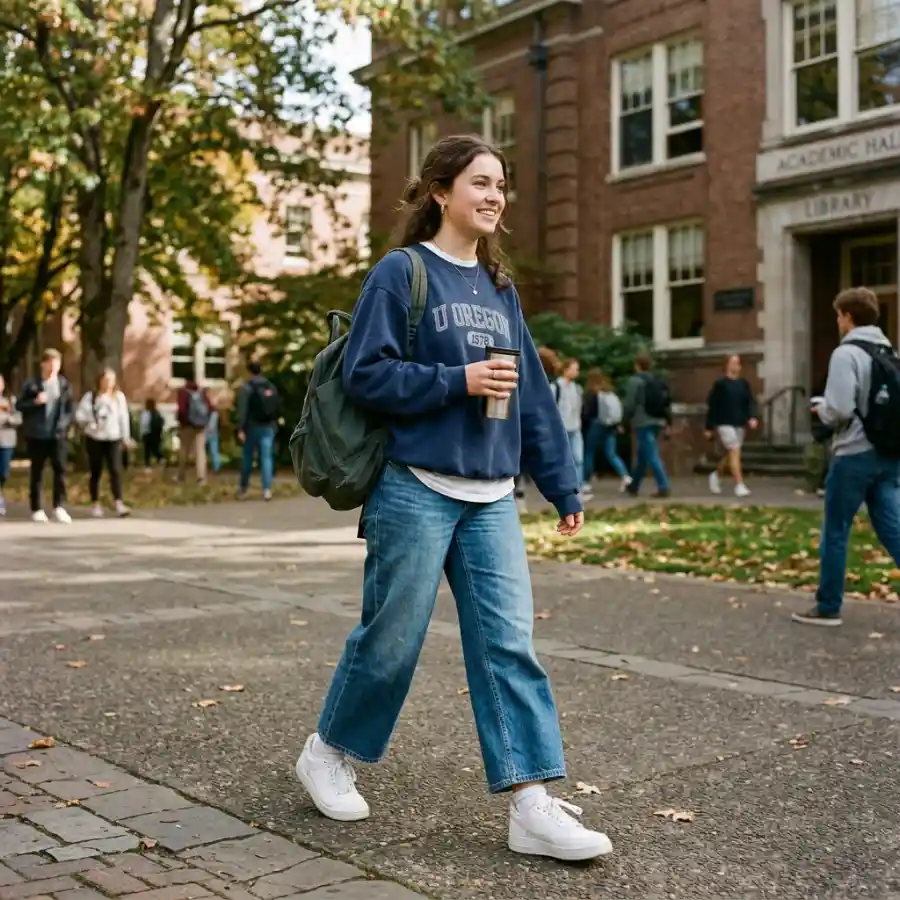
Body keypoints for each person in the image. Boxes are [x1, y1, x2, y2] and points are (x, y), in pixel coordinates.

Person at [294, 134, 611, 862]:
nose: (495, 195)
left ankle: (531, 802)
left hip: (493, 493)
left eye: (502, 184)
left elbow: (531, 393)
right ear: (441, 191)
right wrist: (457, 382)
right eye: (480, 182)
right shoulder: (402, 274)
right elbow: (366, 377)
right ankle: (329, 750)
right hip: (415, 485)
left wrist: (561, 484)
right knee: (392, 640)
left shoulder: (501, 289)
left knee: (509, 645)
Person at [794, 287, 900, 627]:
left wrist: (819, 408)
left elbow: (839, 410)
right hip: (887, 453)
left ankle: (828, 606)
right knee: (892, 528)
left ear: (848, 316)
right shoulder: (888, 351)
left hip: (853, 454)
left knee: (836, 529)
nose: (838, 321)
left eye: (839, 315)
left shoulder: (847, 354)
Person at [17, 349, 74, 523]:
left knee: (60, 470)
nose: (53, 367)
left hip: (57, 435)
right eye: (49, 362)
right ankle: (37, 508)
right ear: (42, 364)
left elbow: (69, 410)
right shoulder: (32, 384)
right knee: (37, 471)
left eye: (56, 363)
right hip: (37, 434)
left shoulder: (63, 385)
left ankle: (59, 506)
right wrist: (34, 402)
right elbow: (19, 405)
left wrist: (63, 426)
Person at [75, 368, 132, 518]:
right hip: (95, 438)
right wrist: (90, 422)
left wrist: (126, 437)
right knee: (96, 471)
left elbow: (123, 417)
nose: (108, 383)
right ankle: (95, 503)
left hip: (113, 437)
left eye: (111, 380)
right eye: (105, 380)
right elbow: (80, 415)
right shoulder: (91, 397)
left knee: (115, 470)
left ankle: (118, 502)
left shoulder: (118, 397)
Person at [704, 355, 758, 499]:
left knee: (731, 454)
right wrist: (709, 427)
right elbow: (713, 405)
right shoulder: (720, 384)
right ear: (727, 366)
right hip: (724, 423)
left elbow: (750, 402)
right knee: (734, 450)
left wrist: (752, 417)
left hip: (739, 423)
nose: (736, 366)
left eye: (738, 363)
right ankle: (739, 484)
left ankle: (716, 475)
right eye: (733, 363)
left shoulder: (743, 384)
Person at [623, 350, 671, 498]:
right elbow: (667, 402)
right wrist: (668, 421)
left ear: (637, 365)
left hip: (643, 421)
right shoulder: (657, 380)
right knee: (642, 455)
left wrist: (625, 419)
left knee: (650, 455)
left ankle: (663, 486)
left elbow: (630, 403)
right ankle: (634, 486)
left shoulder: (635, 381)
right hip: (657, 420)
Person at [236, 362, 281, 501]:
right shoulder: (270, 386)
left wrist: (240, 428)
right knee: (266, 458)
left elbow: (242, 410)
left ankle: (243, 489)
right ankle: (267, 489)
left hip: (252, 427)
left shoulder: (247, 387)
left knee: (248, 458)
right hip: (268, 427)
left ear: (249, 372)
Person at [583, 369, 631, 493]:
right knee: (611, 453)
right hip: (611, 425)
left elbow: (588, 412)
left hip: (597, 424)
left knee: (589, 452)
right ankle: (625, 476)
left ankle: (586, 481)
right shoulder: (609, 391)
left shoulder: (592, 393)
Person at [553, 359, 584, 498]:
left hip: (575, 428)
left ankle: (578, 491)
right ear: (566, 369)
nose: (576, 372)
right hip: (561, 429)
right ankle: (563, 490)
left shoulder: (577, 388)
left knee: (578, 459)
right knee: (563, 460)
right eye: (574, 369)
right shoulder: (555, 387)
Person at [176, 378, 212, 484]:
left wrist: (181, 420)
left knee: (184, 451)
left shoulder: (183, 393)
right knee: (200, 452)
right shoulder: (201, 393)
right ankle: (201, 478)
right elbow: (210, 407)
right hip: (200, 426)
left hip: (187, 426)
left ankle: (181, 477)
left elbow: (182, 409)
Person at [0, 374, 22, 517]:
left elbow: (19, 418)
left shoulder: (10, 400)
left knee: (3, 472)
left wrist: (8, 418)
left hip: (6, 440)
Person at [140, 398, 166, 469]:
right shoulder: (157, 412)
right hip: (156, 434)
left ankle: (147, 464)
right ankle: (160, 459)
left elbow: (144, 424)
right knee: (155, 448)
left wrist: (142, 434)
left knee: (147, 450)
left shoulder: (145, 413)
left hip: (147, 433)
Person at [206, 404, 222, 474]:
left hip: (209, 434)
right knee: (214, 451)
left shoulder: (212, 414)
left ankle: (216, 467)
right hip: (214, 434)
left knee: (213, 451)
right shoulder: (215, 413)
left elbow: (211, 426)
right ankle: (216, 466)